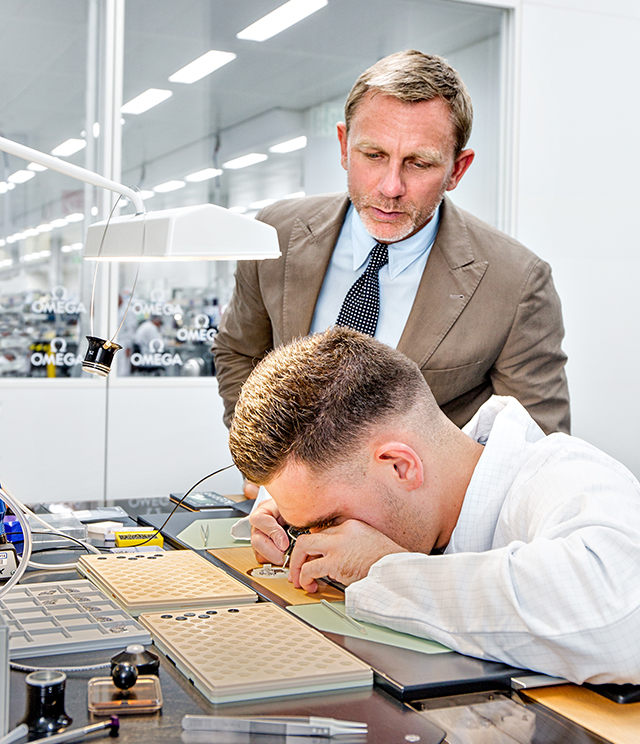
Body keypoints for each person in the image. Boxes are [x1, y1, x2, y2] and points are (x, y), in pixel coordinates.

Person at [213, 50, 571, 496]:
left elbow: (534, 453)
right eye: (374, 154)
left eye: (418, 163)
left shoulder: (516, 283)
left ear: (457, 169)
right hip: (286, 512)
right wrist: (265, 470)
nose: (390, 187)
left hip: (422, 542)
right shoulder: (275, 234)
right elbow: (238, 352)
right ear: (344, 146)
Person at [228, 328, 640, 685]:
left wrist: (383, 570)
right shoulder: (417, 490)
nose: (319, 542)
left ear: (401, 466)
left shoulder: (568, 479)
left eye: (329, 522)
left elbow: (622, 626)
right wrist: (290, 504)